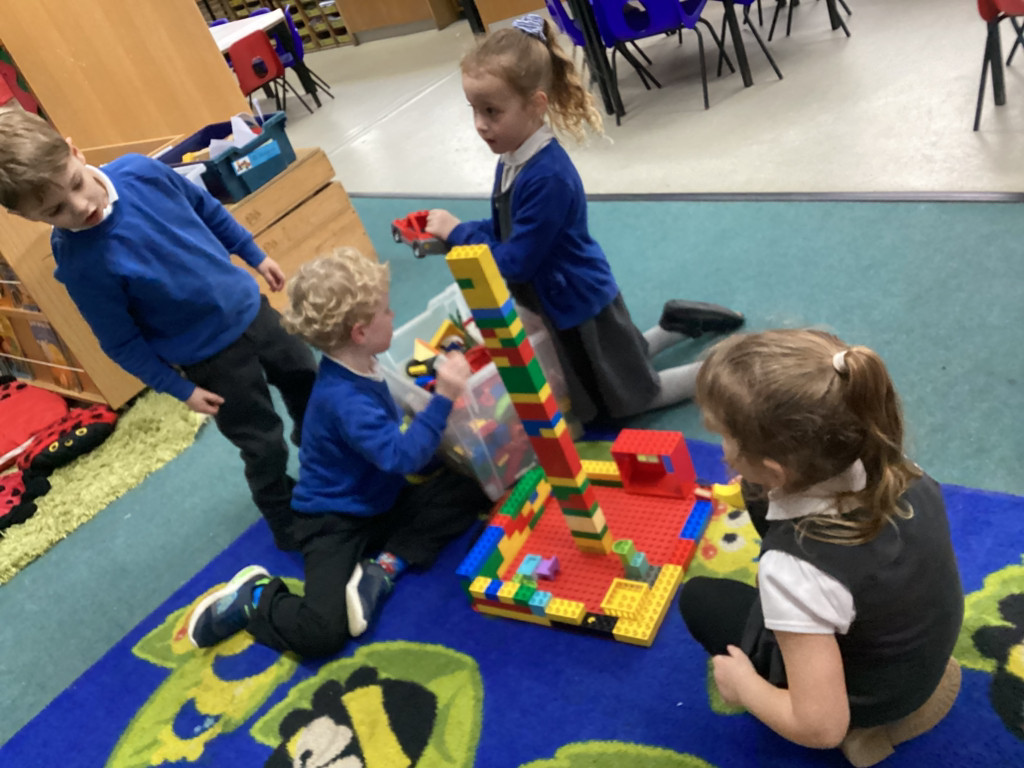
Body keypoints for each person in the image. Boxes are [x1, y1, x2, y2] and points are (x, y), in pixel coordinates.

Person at [0, 107, 317, 551]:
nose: (82, 206)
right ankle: (284, 519)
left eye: (75, 183)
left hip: (250, 309)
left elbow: (205, 209)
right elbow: (121, 342)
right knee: (262, 443)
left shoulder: (140, 171)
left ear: (75, 151)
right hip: (210, 359)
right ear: (27, 216)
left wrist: (253, 254)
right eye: (55, 210)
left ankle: (322, 449)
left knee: (307, 378)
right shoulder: (80, 265)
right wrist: (180, 389)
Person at [424, 14, 744, 426]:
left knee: (635, 396)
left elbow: (517, 260)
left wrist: (459, 233)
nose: (480, 125)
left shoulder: (547, 176)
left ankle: (725, 372)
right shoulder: (512, 158)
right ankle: (674, 325)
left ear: (536, 104)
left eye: (492, 111)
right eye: (475, 110)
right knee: (614, 372)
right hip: (558, 300)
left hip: (578, 302)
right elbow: (505, 231)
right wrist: (457, 233)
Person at [677, 329, 964, 767]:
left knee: (701, 599)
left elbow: (820, 728)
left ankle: (870, 732)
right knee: (757, 500)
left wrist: (744, 687)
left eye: (725, 437)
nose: (722, 449)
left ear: (776, 470)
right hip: (919, 653)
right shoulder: (902, 470)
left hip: (872, 699)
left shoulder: (794, 570)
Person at [186, 248, 492, 658]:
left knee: (471, 485)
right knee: (321, 634)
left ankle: (381, 568)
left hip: (381, 498)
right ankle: (255, 598)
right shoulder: (345, 400)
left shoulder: (363, 362)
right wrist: (444, 399)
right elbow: (402, 457)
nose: (394, 314)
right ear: (360, 332)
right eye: (386, 311)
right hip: (333, 520)